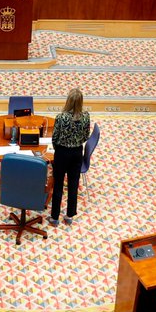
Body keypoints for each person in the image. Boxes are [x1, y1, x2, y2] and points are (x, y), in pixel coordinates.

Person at [48, 87, 90, 227]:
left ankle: (54, 218)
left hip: (62, 153)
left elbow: (55, 138)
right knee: (73, 185)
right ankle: (69, 215)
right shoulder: (86, 116)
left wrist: (58, 148)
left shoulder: (61, 117)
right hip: (77, 153)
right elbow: (85, 136)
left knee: (58, 184)